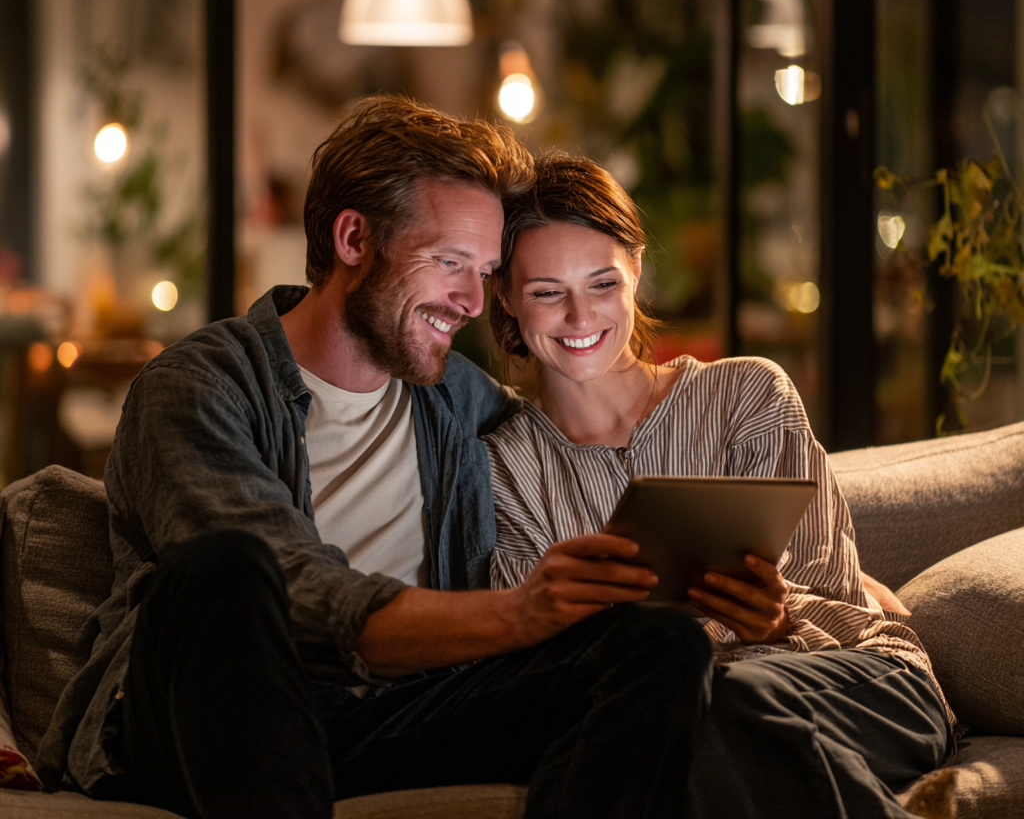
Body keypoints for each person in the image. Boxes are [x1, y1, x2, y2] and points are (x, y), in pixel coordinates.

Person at [36, 96, 717, 819]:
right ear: (354, 239)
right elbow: (298, 595)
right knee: (226, 568)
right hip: (209, 718)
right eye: (449, 263)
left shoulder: (457, 398)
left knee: (658, 645)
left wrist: (740, 580)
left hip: (391, 716)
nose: (471, 302)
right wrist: (520, 614)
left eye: (484, 272)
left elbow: (579, 449)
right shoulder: (200, 386)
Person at [484, 150, 955, 819]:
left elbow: (834, 588)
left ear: (637, 269)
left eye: (602, 283)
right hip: (691, 711)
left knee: (712, 710)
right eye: (545, 292)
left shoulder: (746, 393)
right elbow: (542, 655)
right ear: (504, 294)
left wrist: (781, 617)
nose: (580, 316)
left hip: (860, 682)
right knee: (692, 727)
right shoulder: (505, 468)